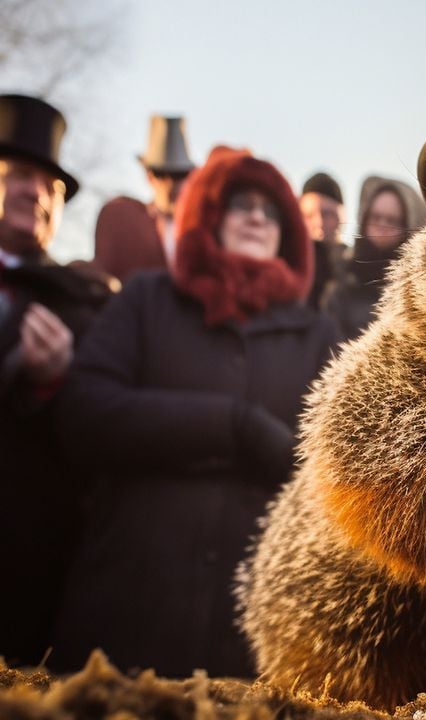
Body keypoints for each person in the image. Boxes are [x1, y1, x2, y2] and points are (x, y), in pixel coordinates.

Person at [50, 147, 337, 677]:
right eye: (241, 205)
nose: (257, 217)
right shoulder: (147, 300)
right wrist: (233, 426)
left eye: (272, 212)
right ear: (209, 215)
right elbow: (84, 415)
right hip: (124, 619)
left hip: (251, 640)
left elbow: (334, 472)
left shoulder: (315, 335)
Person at [0, 94, 115, 666]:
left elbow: (100, 425)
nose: (36, 192)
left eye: (52, 186)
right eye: (19, 173)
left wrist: (53, 382)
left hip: (30, 565)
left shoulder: (85, 301)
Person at [322, 176, 426, 339]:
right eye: (375, 217)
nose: (382, 226)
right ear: (365, 219)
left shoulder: (419, 289)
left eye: (391, 220)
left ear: (407, 225)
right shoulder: (341, 282)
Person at [92, 115, 196, 282]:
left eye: (179, 174)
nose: (170, 184)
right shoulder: (124, 218)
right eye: (161, 173)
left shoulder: (202, 228)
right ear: (149, 176)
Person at [298, 171, 345, 309]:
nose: (318, 222)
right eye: (309, 215)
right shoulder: (288, 272)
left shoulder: (357, 270)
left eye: (327, 214)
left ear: (341, 218)